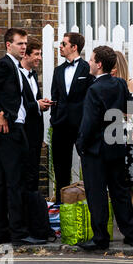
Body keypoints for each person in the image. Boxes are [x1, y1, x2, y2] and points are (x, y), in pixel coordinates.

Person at [0, 28, 46, 246]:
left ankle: (4, 234)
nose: (24, 47)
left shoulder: (15, 67)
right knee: (14, 182)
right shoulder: (5, 65)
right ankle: (17, 234)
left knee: (4, 182)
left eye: (25, 44)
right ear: (8, 45)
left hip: (17, 129)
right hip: (10, 131)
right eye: (20, 44)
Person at [76, 45, 133, 250]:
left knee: (97, 194)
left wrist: (81, 144)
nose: (89, 62)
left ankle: (101, 238)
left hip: (96, 149)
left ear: (99, 64)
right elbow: (130, 108)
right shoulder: (121, 84)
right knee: (120, 191)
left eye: (92, 59)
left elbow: (88, 123)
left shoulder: (94, 89)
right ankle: (131, 234)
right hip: (116, 145)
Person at [50, 32, 94, 205]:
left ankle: (89, 205)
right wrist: (54, 118)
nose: (60, 46)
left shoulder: (87, 69)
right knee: (61, 168)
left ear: (74, 47)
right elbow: (56, 96)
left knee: (89, 165)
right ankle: (62, 207)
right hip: (60, 125)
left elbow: (91, 97)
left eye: (63, 43)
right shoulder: (58, 70)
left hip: (81, 125)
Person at [19, 37, 52, 192]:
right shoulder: (17, 75)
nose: (40, 57)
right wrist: (36, 105)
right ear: (25, 55)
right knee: (23, 174)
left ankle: (30, 211)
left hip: (35, 133)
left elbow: (30, 101)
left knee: (33, 172)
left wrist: (40, 104)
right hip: (22, 132)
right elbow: (17, 104)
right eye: (37, 54)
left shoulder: (33, 74)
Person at [111, 51, 133, 196]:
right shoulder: (107, 82)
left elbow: (129, 111)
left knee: (128, 178)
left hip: (126, 133)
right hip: (111, 133)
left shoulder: (131, 83)